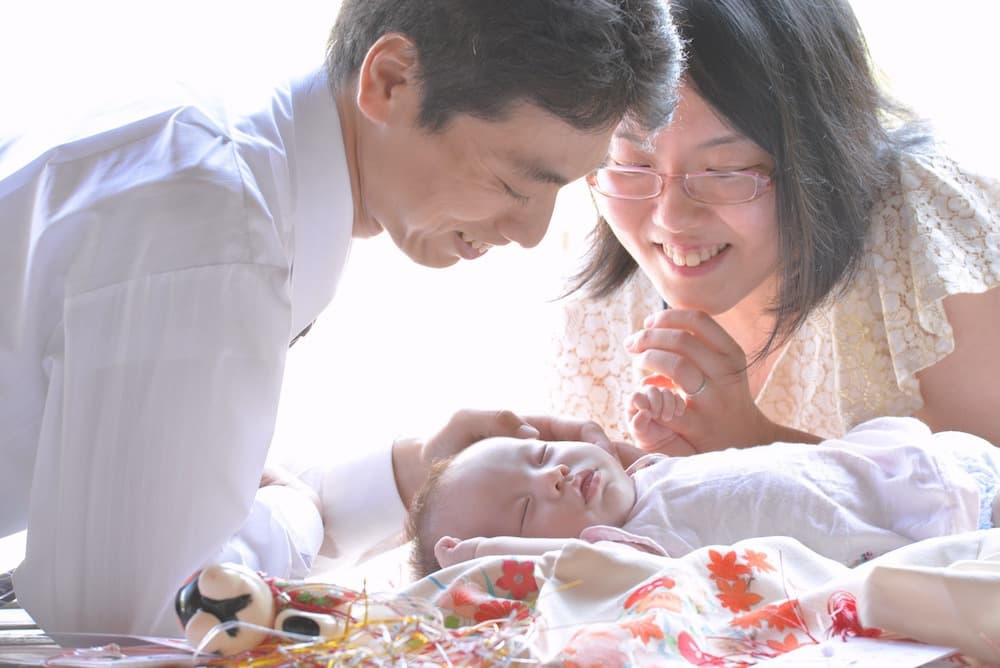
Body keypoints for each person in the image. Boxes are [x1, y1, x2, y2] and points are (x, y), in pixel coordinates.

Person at [0, 0, 682, 636]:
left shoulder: (243, 161)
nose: (531, 233)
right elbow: (144, 611)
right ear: (389, 80)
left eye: (561, 189)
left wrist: (410, 474)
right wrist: (299, 516)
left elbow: (179, 487)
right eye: (513, 182)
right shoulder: (219, 231)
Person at [549, 0, 1000, 455]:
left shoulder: (931, 237)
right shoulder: (597, 311)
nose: (671, 217)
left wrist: (755, 442)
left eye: (725, 170)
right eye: (633, 164)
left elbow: (985, 497)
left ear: (825, 158)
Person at [407, 414, 1000, 578]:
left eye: (539, 456)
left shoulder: (646, 478)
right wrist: (486, 554)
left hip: (925, 465)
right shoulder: (637, 553)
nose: (553, 476)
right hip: (945, 531)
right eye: (526, 508)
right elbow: (585, 568)